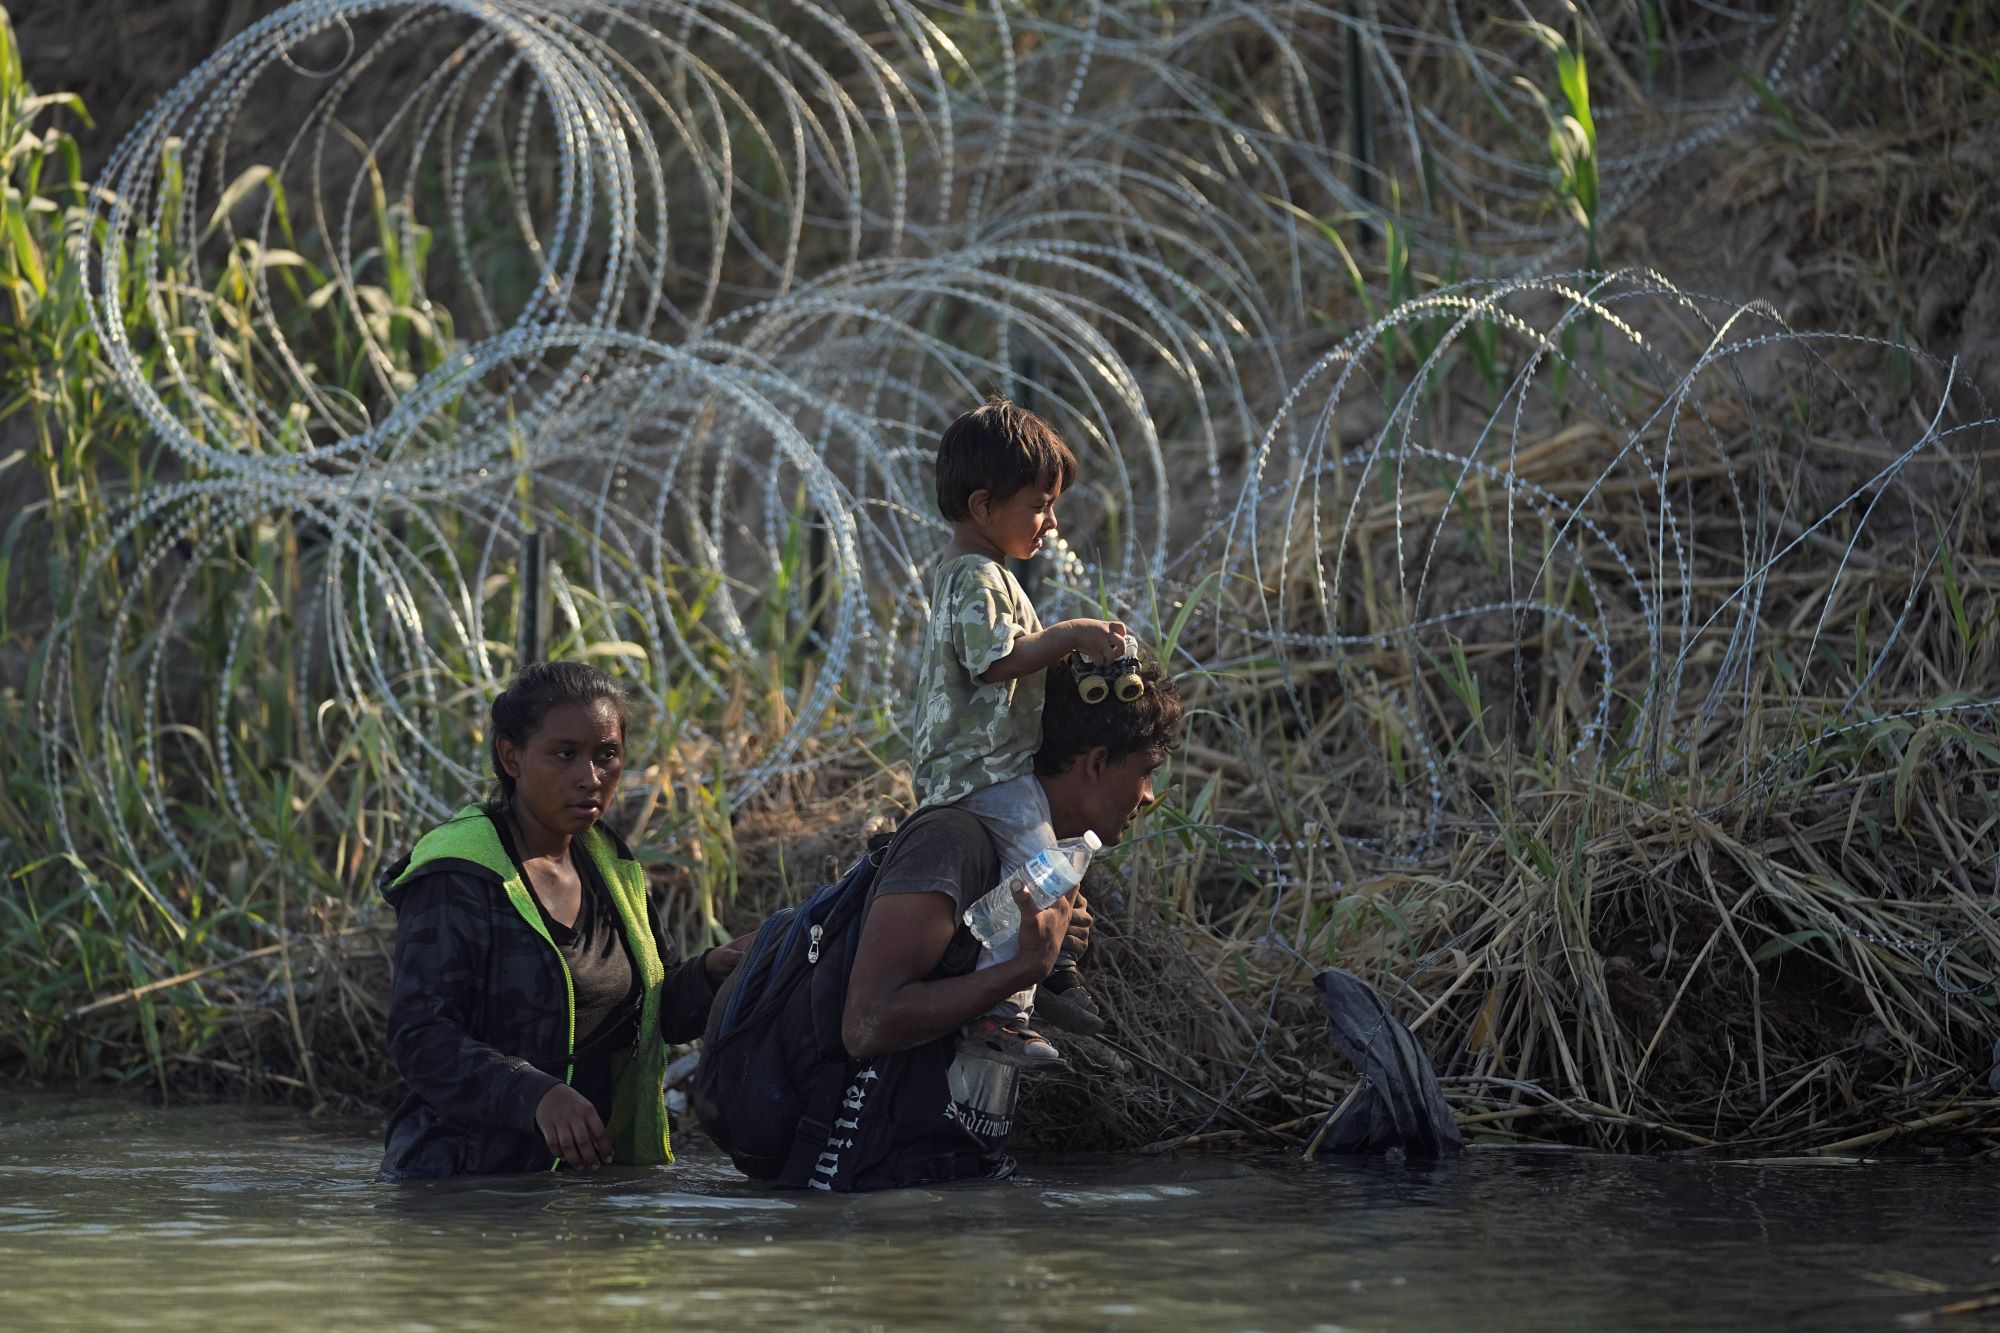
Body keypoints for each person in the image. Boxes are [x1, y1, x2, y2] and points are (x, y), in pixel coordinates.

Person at [827, 654, 1183, 1188]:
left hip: (947, 1189)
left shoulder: (1048, 860)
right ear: (1096, 762)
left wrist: (1056, 955)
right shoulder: (952, 842)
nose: (1150, 796)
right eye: (1146, 771)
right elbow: (867, 1025)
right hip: (858, 1192)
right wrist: (1026, 967)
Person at [379, 662, 744, 1179]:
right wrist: (536, 1094)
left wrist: (716, 972)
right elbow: (419, 1036)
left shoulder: (609, 865)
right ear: (512, 757)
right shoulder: (459, 874)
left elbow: (653, 1014)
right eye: (564, 755)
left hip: (587, 1180)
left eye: (607, 756)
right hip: (463, 1185)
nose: (590, 778)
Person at [913, 395, 1131, 1066]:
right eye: (1038, 505)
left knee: (1053, 867)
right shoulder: (977, 576)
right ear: (983, 507)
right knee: (1043, 872)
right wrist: (1070, 633)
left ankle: (1050, 970)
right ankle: (1001, 1014)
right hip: (979, 771)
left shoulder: (980, 574)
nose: (1051, 520)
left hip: (991, 766)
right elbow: (996, 662)